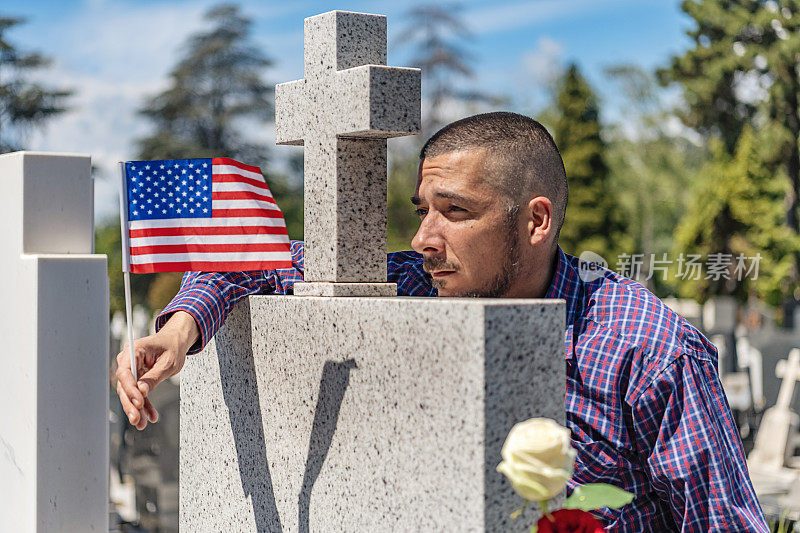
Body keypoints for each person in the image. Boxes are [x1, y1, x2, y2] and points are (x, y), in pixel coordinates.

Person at [115, 112, 768, 531]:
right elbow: (261, 262)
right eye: (422, 208)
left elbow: (723, 523)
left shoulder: (648, 352)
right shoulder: (413, 286)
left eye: (453, 211)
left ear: (535, 221)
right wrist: (179, 329)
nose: (425, 236)